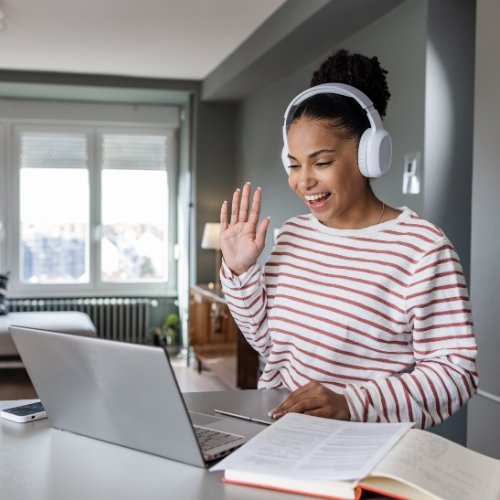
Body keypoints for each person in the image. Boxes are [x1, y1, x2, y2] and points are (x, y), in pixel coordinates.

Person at [219, 49, 478, 429]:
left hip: (368, 453)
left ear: (370, 154)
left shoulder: (422, 249)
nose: (303, 181)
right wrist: (240, 272)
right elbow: (270, 344)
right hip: (282, 434)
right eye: (294, 164)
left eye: (321, 163)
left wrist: (350, 404)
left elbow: (455, 374)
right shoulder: (294, 234)